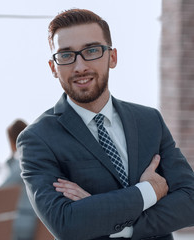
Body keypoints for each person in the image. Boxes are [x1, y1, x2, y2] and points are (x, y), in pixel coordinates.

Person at [16, 8, 194, 240]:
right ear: (53, 67)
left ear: (112, 57)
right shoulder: (37, 139)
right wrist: (149, 191)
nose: (80, 66)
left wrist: (120, 227)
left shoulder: (149, 121)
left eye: (91, 51)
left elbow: (190, 201)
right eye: (66, 55)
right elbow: (66, 224)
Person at [0, 119, 38, 240]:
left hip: (22, 222)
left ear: (12, 141)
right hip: (39, 219)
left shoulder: (20, 163)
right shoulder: (39, 159)